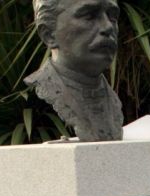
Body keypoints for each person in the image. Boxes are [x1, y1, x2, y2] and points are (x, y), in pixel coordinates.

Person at [25, 0, 123, 141]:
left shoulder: (112, 101)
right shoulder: (33, 105)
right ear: (49, 34)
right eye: (89, 16)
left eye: (112, 17)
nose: (108, 27)